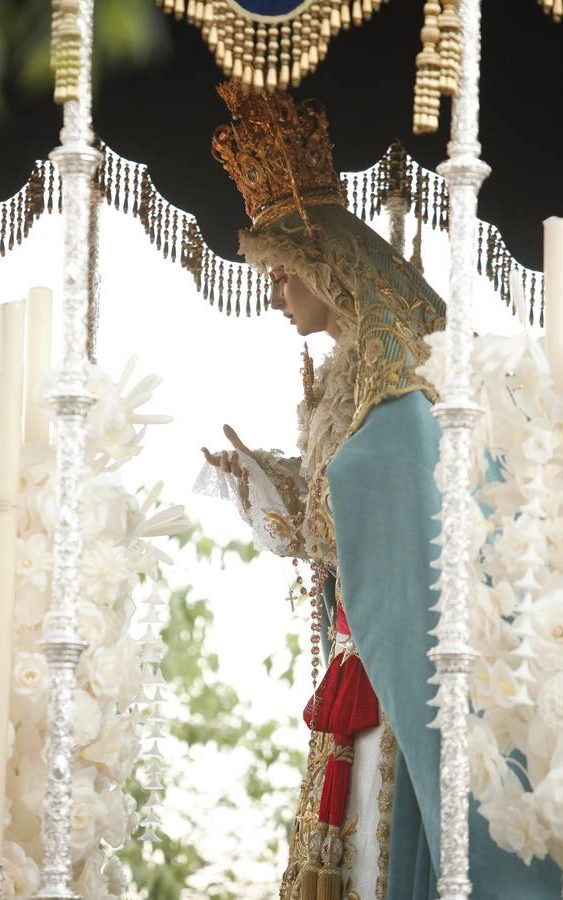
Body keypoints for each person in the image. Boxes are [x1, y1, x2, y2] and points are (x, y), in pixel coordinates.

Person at [199, 83, 560, 899]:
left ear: (327, 266)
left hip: (397, 684)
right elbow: (337, 529)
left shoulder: (398, 398)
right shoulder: (346, 386)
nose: (276, 293)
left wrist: (315, 498)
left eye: (284, 274)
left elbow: (393, 535)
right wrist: (267, 485)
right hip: (355, 672)